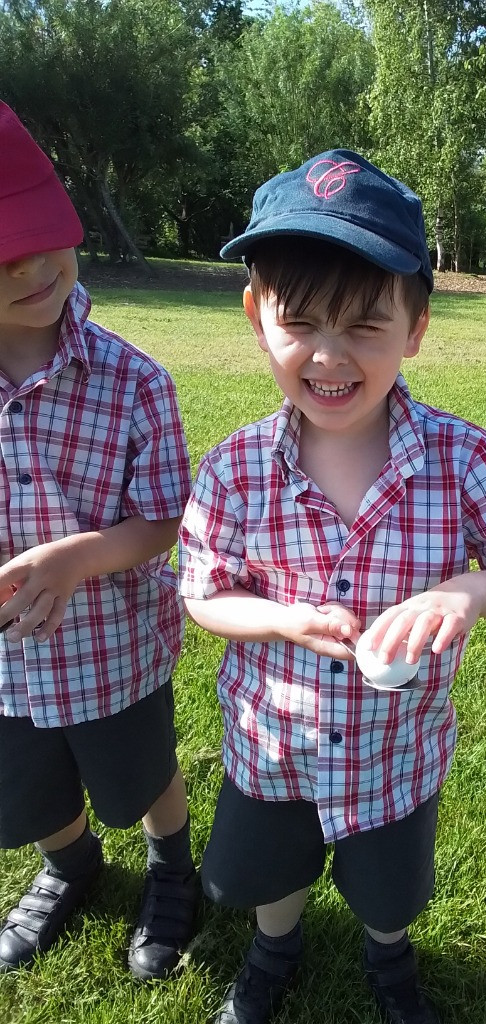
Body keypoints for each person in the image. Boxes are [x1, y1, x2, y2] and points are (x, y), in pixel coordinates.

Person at [178, 149, 486, 1024]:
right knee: (257, 876)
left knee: (391, 897)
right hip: (270, 746)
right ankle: (274, 946)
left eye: (364, 326)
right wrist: (279, 618)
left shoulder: (462, 457)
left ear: (417, 326)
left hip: (395, 756)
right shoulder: (237, 467)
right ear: (256, 316)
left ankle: (388, 957)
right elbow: (202, 593)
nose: (329, 354)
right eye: (302, 321)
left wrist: (468, 593)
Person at [0, 101, 197, 980]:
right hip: (8, 658)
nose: (34, 266)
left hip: (112, 646)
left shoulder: (133, 382)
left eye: (44, 235)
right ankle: (68, 865)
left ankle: (172, 868)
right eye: (2, 257)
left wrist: (77, 556)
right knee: (32, 781)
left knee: (143, 770)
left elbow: (163, 521)